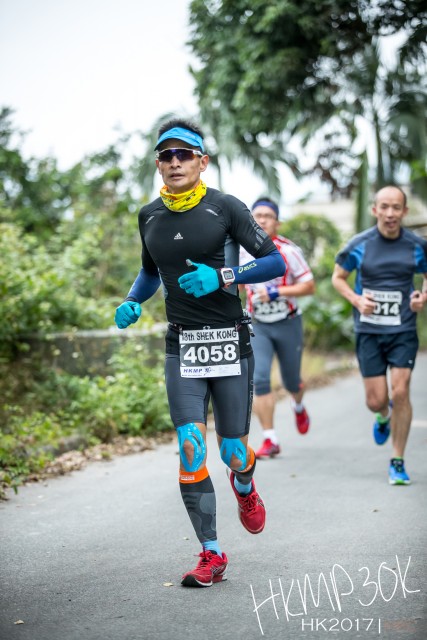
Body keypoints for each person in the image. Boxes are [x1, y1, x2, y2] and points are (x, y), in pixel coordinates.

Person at [114, 118, 286, 587]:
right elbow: (150, 270)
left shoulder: (225, 207)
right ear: (158, 164)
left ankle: (245, 487)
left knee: (233, 451)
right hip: (182, 346)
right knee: (191, 447)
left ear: (202, 161)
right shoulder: (149, 216)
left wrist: (223, 276)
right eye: (166, 155)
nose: (175, 162)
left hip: (230, 340)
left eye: (184, 154)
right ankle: (212, 552)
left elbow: (274, 261)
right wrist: (133, 300)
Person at [332, 185, 427, 485]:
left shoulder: (416, 245)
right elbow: (338, 277)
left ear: (404, 211)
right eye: (384, 207)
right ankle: (383, 415)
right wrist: (357, 300)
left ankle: (397, 461)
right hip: (369, 331)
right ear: (375, 210)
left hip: (403, 330)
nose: (389, 213)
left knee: (401, 391)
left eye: (396, 207)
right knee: (376, 401)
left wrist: (422, 297)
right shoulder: (359, 244)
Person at [239, 197, 315, 458]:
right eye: (257, 215)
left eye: (267, 216)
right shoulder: (241, 252)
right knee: (259, 378)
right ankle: (270, 438)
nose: (261, 220)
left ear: (277, 222)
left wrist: (276, 293)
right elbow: (238, 284)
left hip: (288, 323)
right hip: (258, 325)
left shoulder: (289, 251)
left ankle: (298, 405)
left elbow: (309, 286)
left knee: (292, 381)